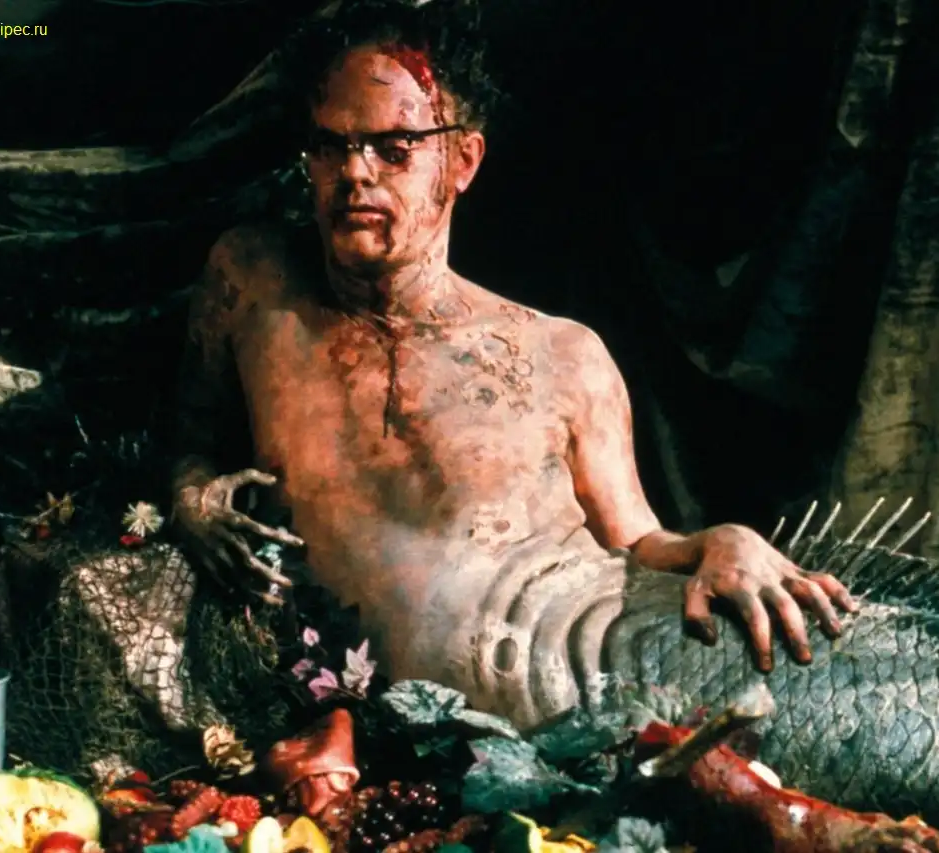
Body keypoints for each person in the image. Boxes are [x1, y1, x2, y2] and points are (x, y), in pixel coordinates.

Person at [169, 0, 855, 708]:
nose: (354, 173)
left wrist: (724, 540)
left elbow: (639, 541)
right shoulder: (252, 281)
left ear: (462, 161)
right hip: (354, 712)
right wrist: (192, 500)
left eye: (394, 148)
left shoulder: (563, 354)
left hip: (582, 675)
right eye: (329, 145)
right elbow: (192, 441)